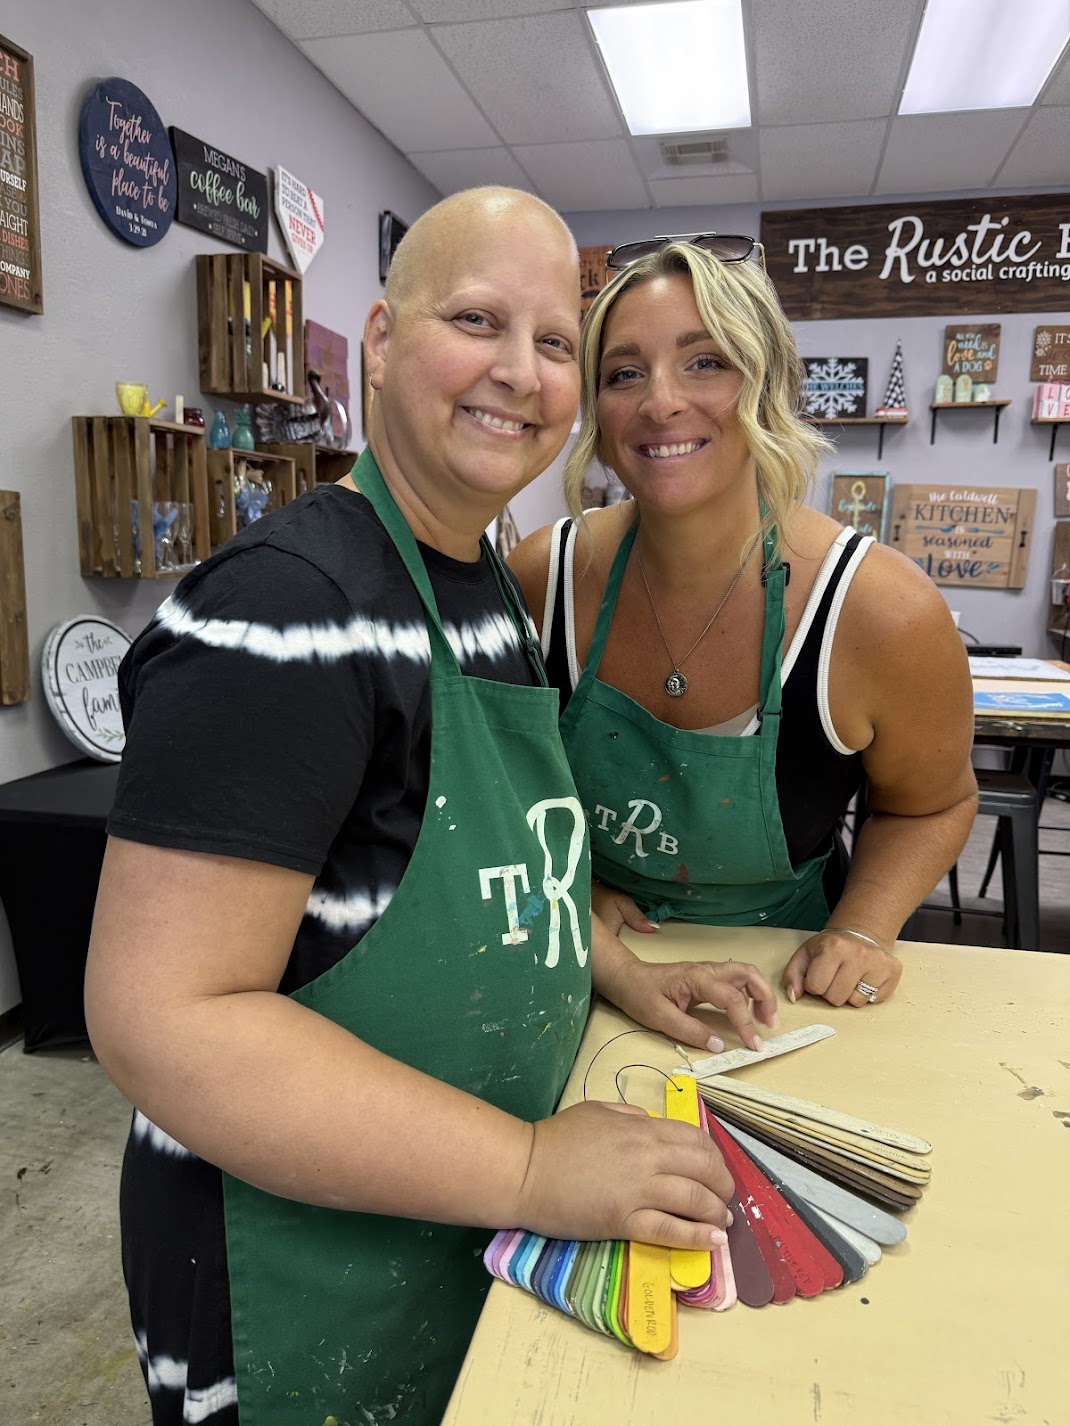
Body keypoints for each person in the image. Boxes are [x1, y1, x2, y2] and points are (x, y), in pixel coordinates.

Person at [85, 194, 778, 1426]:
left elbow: (499, 862)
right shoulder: (284, 612)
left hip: (452, 1222)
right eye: (475, 320)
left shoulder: (478, 588)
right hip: (293, 1275)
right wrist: (524, 1166)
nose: (519, 371)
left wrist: (614, 970)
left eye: (555, 341)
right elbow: (161, 1021)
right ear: (383, 341)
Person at [508, 234, 977, 1012]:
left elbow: (932, 803)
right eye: (625, 373)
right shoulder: (543, 578)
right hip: (587, 971)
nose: (660, 402)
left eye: (706, 360)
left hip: (791, 990)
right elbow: (496, 783)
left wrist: (863, 930)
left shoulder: (878, 611)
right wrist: (573, 877)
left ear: (769, 382)